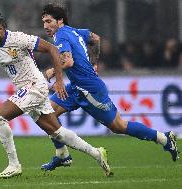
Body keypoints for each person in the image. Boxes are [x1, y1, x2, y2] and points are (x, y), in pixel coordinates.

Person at [41, 4, 180, 171]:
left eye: (49, 21)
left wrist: (51, 70)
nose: (45, 26)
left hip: (89, 89)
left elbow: (68, 61)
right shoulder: (74, 31)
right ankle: (62, 155)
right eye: (43, 22)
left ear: (60, 20)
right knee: (46, 112)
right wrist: (93, 62)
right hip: (77, 87)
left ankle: (164, 139)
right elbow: (95, 38)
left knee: (118, 126)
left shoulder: (61, 35)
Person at [0, 11, 113, 179]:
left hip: (35, 86)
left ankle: (14, 165)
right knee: (57, 133)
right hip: (25, 89)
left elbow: (52, 49)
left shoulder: (19, 39)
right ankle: (97, 154)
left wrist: (60, 80)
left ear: (0, 29)